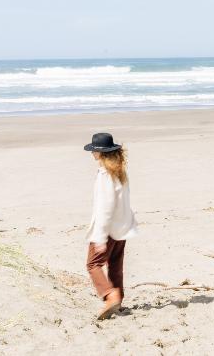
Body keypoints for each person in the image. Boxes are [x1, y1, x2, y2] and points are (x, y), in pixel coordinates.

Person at [83, 132, 138, 320]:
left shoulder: (105, 174)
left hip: (107, 229)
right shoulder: (120, 171)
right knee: (115, 265)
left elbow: (105, 208)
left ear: (100, 153)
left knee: (93, 264)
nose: (92, 154)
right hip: (122, 227)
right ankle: (119, 300)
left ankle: (110, 295)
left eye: (94, 150)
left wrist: (99, 237)